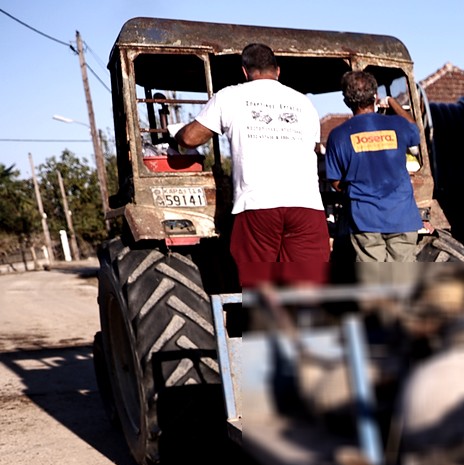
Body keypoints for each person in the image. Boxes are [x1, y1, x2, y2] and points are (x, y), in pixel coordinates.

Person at [173, 43, 328, 289]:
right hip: (306, 206)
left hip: (258, 206)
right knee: (308, 288)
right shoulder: (304, 104)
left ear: (245, 72)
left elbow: (189, 139)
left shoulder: (230, 96)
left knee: (260, 289)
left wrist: (176, 134)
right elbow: (311, 148)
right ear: (278, 70)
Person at [323, 69, 425, 283]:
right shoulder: (398, 126)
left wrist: (353, 190)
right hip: (402, 216)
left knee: (374, 281)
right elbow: (415, 128)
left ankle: (379, 315)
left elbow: (335, 181)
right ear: (375, 96)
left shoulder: (338, 136)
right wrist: (392, 102)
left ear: (346, 101)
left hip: (365, 219)